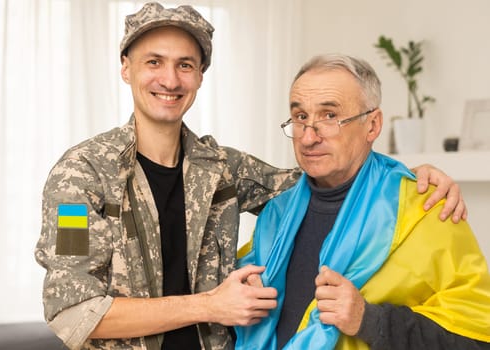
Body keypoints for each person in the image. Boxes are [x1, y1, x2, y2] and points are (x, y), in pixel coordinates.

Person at [35, 3, 467, 350]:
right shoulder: (80, 177)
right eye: (154, 62)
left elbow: (326, 174)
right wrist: (210, 306)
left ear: (201, 76)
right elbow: (74, 312)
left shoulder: (222, 168)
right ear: (126, 67)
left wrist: (413, 176)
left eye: (186, 64)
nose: (170, 79)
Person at [235, 54, 490, 349]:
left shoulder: (427, 209)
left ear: (372, 125)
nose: (308, 138)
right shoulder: (276, 215)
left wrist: (369, 320)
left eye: (330, 116)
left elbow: (478, 339)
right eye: (301, 117)